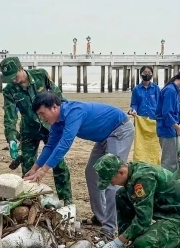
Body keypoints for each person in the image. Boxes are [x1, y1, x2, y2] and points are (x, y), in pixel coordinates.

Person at [25, 92, 135, 237]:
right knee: (91, 172)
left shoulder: (74, 112)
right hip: (103, 137)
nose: (42, 118)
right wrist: (34, 169)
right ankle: (100, 217)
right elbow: (51, 145)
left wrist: (43, 171)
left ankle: (109, 228)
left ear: (54, 107)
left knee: (111, 178)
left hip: (119, 131)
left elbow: (64, 144)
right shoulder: (57, 122)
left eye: (42, 113)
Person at [92, 153, 180, 248]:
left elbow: (143, 220)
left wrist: (116, 243)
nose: (112, 184)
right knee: (121, 195)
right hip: (163, 210)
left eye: (111, 180)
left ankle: (177, 242)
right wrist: (120, 241)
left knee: (143, 246)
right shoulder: (132, 171)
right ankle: (127, 242)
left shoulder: (143, 177)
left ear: (121, 172)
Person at [0, 56, 72, 203]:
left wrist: (68, 115)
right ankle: (31, 201)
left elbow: (57, 96)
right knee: (28, 166)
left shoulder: (41, 75)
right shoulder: (9, 91)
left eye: (14, 76)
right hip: (28, 130)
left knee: (58, 164)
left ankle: (67, 200)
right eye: (9, 78)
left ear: (21, 68)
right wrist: (12, 138)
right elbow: (10, 116)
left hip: (50, 126)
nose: (13, 80)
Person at [156, 68, 180, 171]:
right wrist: (177, 128)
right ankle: (167, 183)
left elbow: (176, 112)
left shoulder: (176, 90)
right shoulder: (170, 91)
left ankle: (174, 182)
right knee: (169, 161)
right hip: (167, 130)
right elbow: (167, 113)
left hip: (173, 130)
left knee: (176, 158)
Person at [129, 65, 161, 164]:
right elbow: (134, 104)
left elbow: (160, 103)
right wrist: (133, 110)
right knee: (140, 144)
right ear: (141, 74)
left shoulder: (156, 88)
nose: (147, 74)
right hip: (141, 121)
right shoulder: (136, 89)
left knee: (153, 144)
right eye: (145, 73)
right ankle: (141, 162)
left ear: (152, 74)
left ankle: (153, 162)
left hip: (153, 121)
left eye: (149, 73)